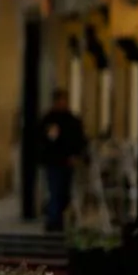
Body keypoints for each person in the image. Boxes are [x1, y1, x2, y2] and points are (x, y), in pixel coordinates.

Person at [39, 88, 87, 232]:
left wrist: (76, 155)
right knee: (55, 191)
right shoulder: (49, 120)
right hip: (54, 162)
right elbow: (44, 141)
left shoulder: (71, 120)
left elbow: (79, 139)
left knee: (64, 192)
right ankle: (54, 221)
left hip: (67, 161)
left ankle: (58, 219)